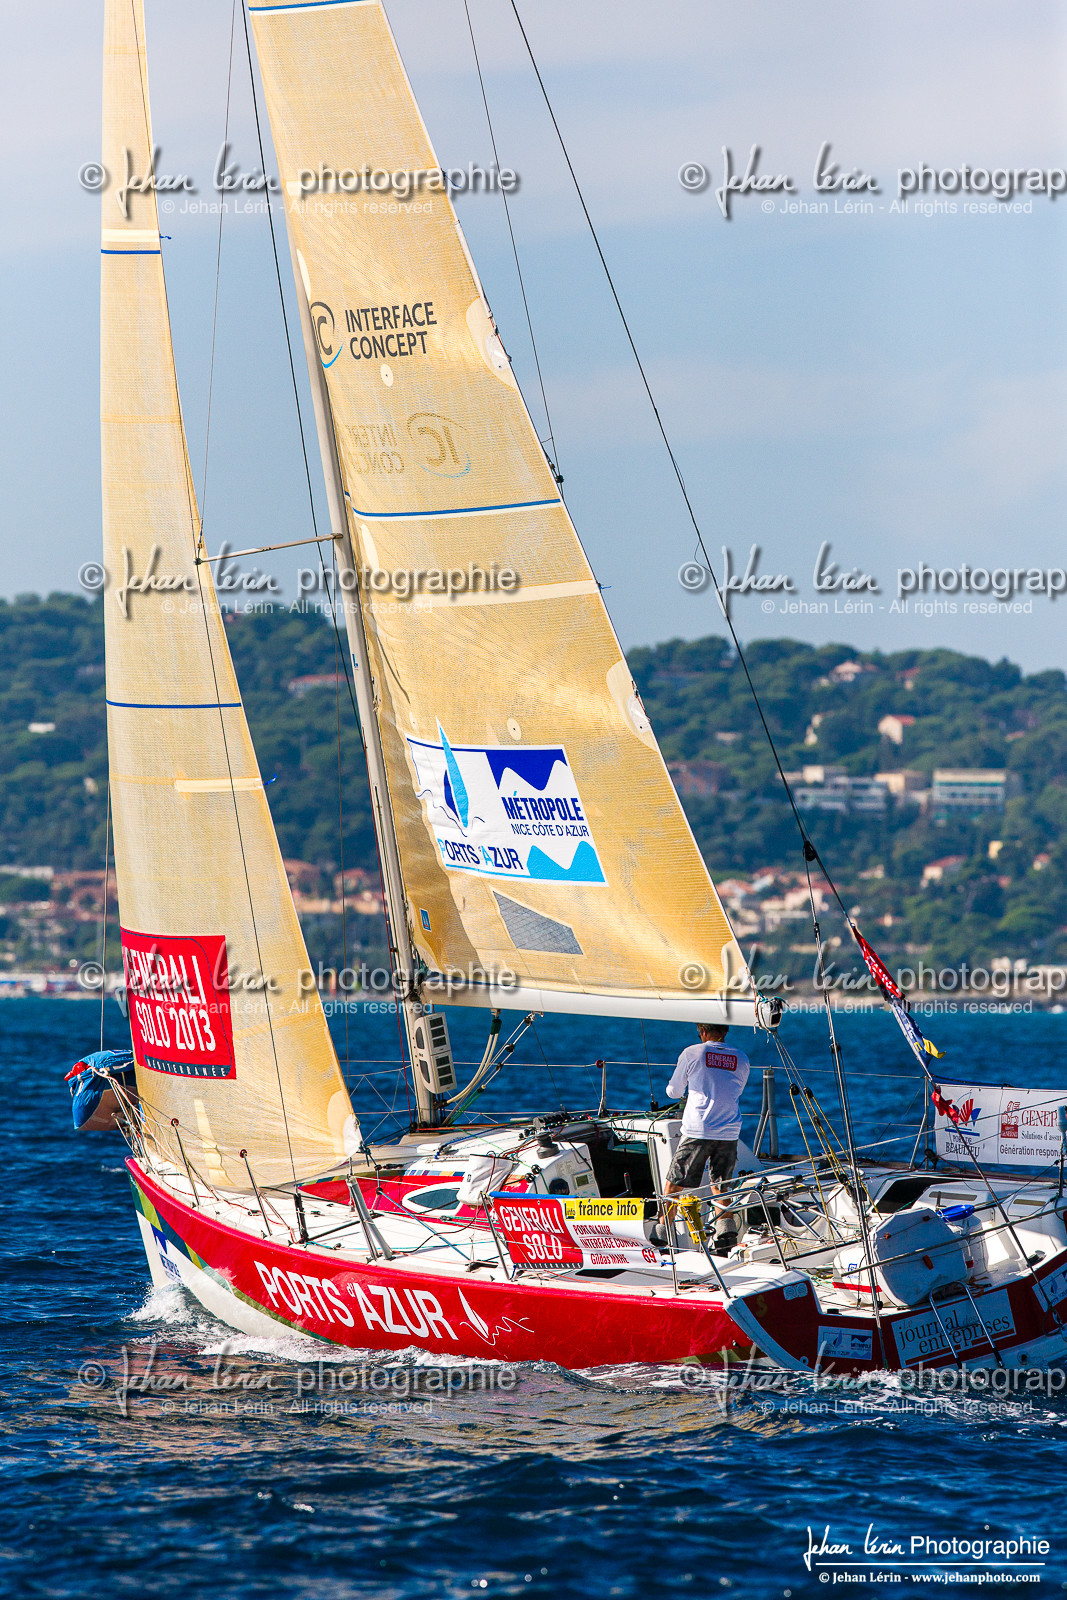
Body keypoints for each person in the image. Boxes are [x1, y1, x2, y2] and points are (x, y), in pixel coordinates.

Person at [657, 1023, 750, 1253]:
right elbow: (735, 1089)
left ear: (703, 1032)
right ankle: (725, 1237)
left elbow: (675, 1092)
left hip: (699, 1129)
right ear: (725, 1031)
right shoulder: (742, 1057)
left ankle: (659, 1238)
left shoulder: (692, 1052)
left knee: (673, 1185)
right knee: (720, 1186)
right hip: (729, 1130)